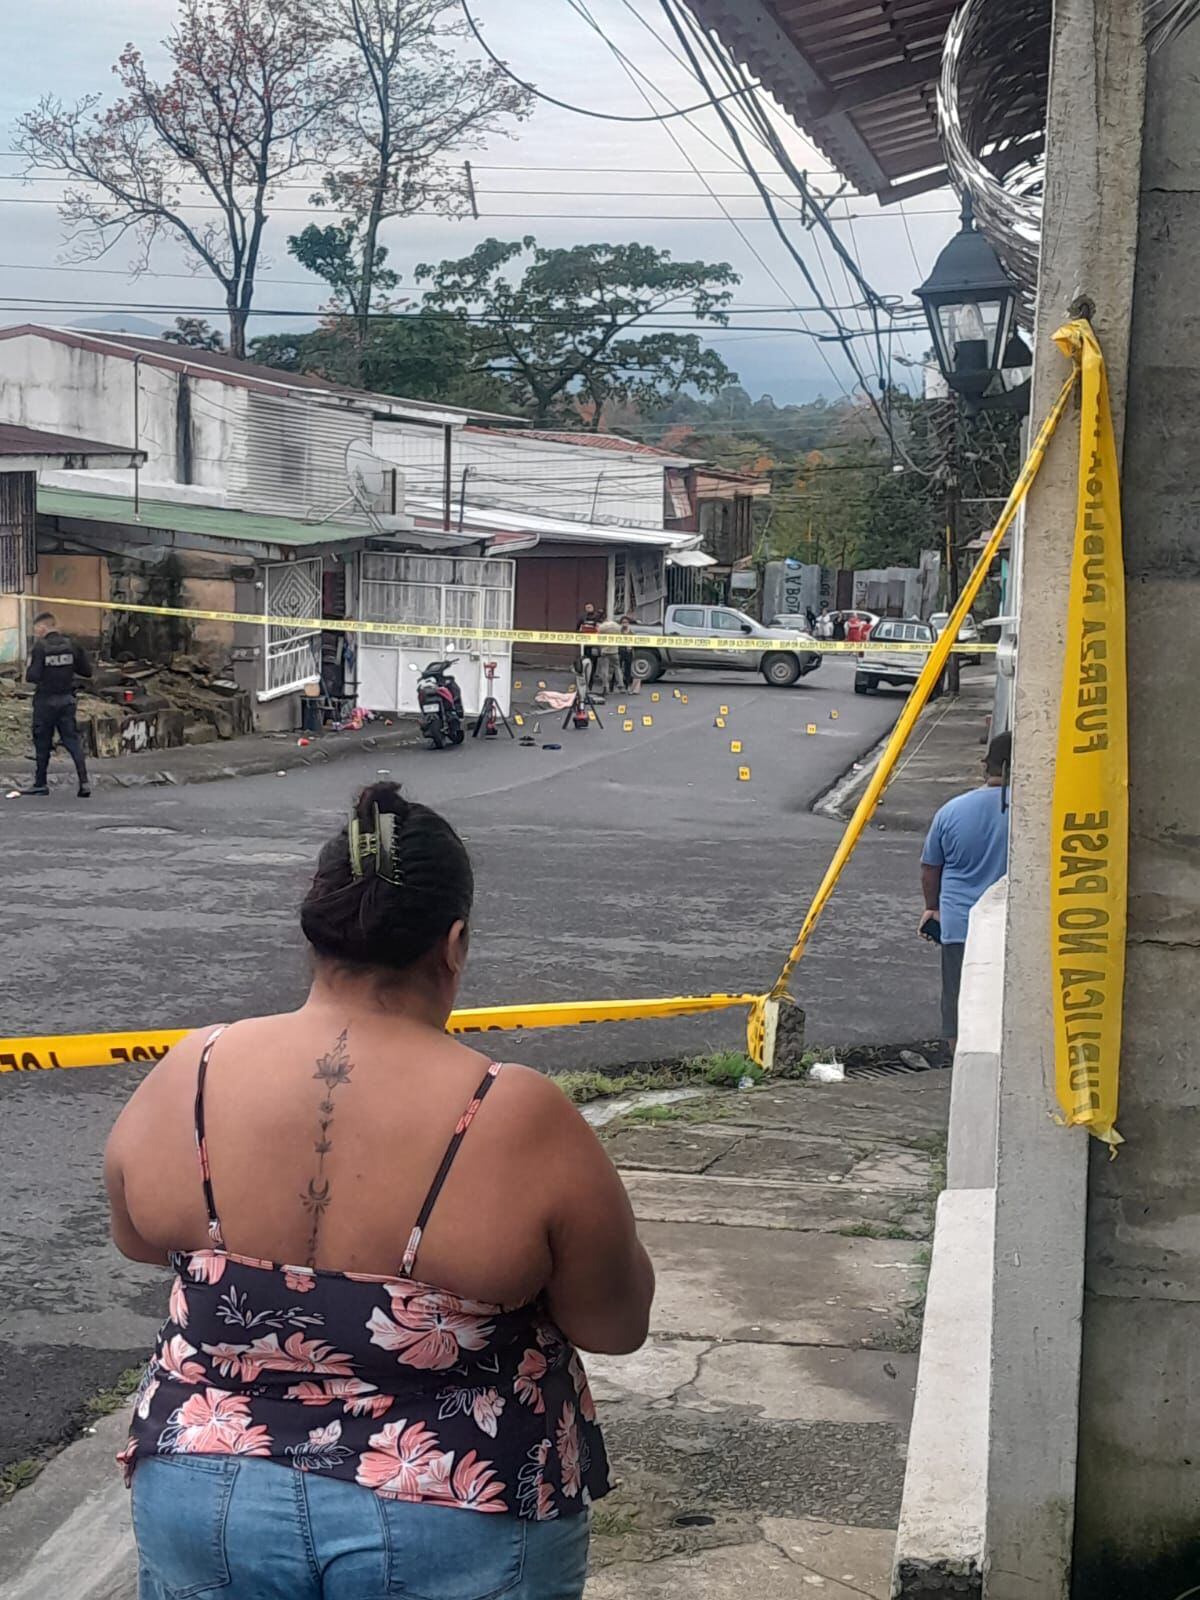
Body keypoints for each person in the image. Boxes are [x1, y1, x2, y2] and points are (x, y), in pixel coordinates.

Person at [105, 782, 654, 1600]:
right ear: (455, 943)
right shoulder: (513, 1114)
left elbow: (138, 1235)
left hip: (203, 1487)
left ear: (318, 929)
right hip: (453, 1508)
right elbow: (615, 1323)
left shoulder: (194, 1069)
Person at [919, 732, 1012, 1049]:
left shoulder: (952, 811)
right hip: (1007, 924)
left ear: (986, 767)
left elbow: (930, 867)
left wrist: (932, 907)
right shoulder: (1031, 814)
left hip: (959, 923)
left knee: (958, 997)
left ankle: (958, 1061)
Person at [23, 610, 92, 798]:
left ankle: (40, 783)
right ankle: (84, 782)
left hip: (45, 701)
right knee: (72, 740)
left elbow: (33, 676)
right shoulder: (72, 645)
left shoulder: (40, 647)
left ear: (44, 627)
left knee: (42, 742)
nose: (36, 633)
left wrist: (31, 664)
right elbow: (87, 671)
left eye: (36, 629)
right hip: (67, 700)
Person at [595, 612, 622, 697]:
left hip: (605, 650)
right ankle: (621, 684)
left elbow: (597, 637)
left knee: (604, 669)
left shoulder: (602, 627)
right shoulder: (616, 625)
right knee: (617, 667)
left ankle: (605, 686)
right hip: (615, 650)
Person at [577, 602, 600, 687]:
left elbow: (600, 628)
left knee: (593, 663)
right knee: (584, 662)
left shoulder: (597, 617)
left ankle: (591, 681)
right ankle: (584, 680)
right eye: (587, 607)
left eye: (590, 607)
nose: (589, 609)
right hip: (585, 645)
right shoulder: (582, 617)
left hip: (594, 644)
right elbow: (577, 628)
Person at [618, 613, 638, 693]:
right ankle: (619, 684)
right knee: (618, 668)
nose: (624, 624)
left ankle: (627, 685)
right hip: (620, 651)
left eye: (626, 622)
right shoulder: (619, 632)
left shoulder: (631, 632)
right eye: (623, 622)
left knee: (628, 669)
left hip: (628, 651)